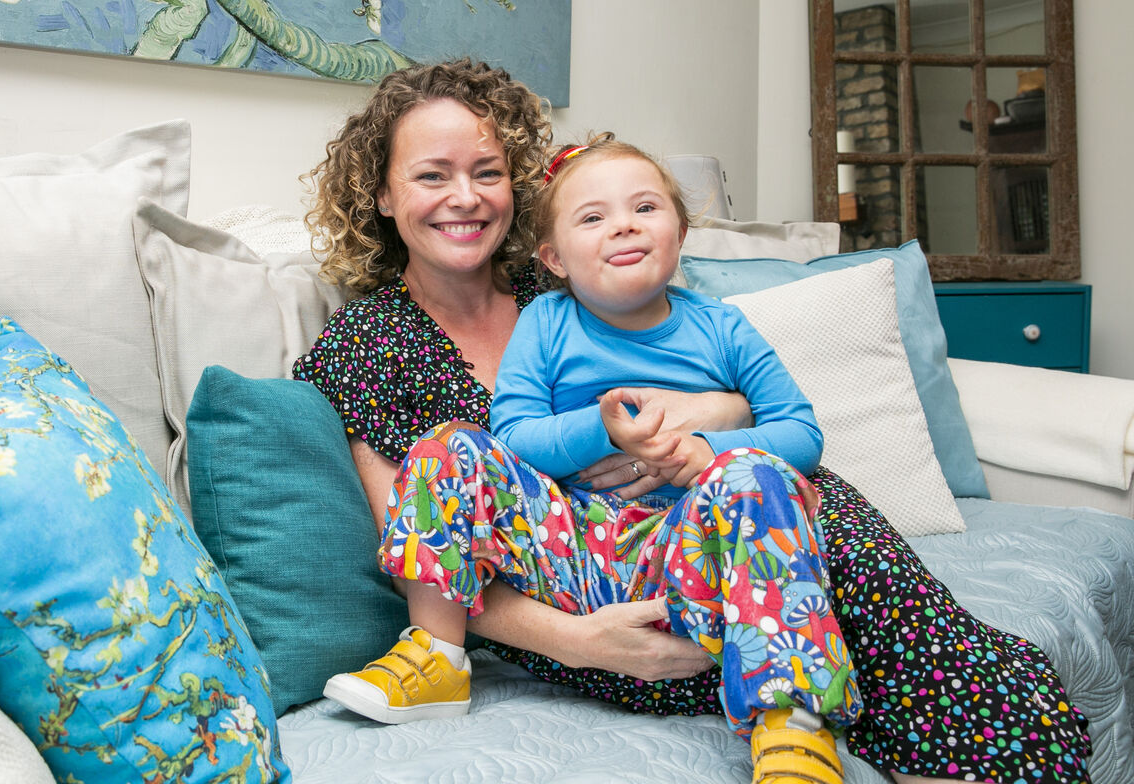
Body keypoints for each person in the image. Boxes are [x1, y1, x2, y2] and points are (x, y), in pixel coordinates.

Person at [293, 58, 1091, 784]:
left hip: (720, 509)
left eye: (487, 172)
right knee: (835, 572)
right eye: (432, 176)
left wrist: (696, 427)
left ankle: (867, 730)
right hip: (593, 594)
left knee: (820, 529)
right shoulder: (373, 341)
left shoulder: (573, 281)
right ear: (383, 193)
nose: (465, 197)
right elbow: (421, 538)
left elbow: (744, 392)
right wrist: (586, 641)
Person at [324, 133, 863, 784]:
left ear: (682, 229)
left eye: (645, 208)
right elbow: (514, 435)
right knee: (452, 444)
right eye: (593, 217)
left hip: (688, 561)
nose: (623, 227)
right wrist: (606, 429)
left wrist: (705, 450)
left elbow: (801, 433)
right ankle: (437, 655)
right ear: (552, 258)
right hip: (572, 554)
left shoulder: (724, 327)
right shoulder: (547, 323)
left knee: (761, 475)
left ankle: (792, 726)